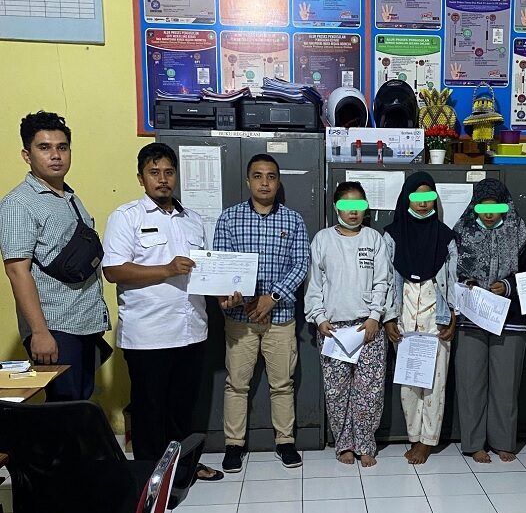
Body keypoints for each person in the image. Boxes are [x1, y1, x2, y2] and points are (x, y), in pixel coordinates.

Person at [102, 143, 222, 481]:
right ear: (141, 178)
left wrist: (227, 291)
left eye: (169, 172)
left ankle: (184, 468)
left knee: (183, 408)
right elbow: (113, 270)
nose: (163, 179)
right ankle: (151, 478)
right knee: (149, 411)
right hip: (148, 335)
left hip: (191, 330)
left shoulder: (192, 220)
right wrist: (166, 270)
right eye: (154, 172)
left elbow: (205, 272)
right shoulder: (127, 217)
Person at [0, 111, 110, 401]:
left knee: (79, 406)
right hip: (54, 327)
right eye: (44, 147)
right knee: (64, 411)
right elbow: (17, 271)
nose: (55, 155)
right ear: (27, 155)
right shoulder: (19, 203)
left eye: (62, 147)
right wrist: (39, 332)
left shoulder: (70, 198)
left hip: (84, 324)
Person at [214, 154, 309, 472]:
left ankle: (285, 441)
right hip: (240, 320)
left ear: (278, 182)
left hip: (280, 318)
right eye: (258, 176)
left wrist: (272, 298)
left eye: (271, 176)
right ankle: (233, 444)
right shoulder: (229, 218)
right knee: (236, 384)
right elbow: (223, 266)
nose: (264, 182)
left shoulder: (293, 220)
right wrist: (242, 300)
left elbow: (300, 265)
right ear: (248, 181)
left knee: (282, 384)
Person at [453, 178, 526, 463]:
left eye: (496, 208)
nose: (489, 213)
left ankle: (503, 441)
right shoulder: (462, 231)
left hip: (510, 318)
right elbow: (450, 270)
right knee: (471, 383)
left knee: (505, 384)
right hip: (471, 318)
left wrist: (507, 285)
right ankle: (474, 443)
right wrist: (468, 283)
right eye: (483, 207)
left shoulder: (519, 231)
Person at [304, 181, 391, 467]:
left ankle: (365, 443)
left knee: (370, 391)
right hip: (334, 330)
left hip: (368, 328)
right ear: (336, 207)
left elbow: (383, 281)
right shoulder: (322, 239)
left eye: (359, 206)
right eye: (347, 206)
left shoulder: (374, 239)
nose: (353, 212)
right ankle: (344, 444)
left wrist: (375, 317)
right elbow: (314, 284)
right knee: (337, 391)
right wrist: (319, 318)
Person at [384, 172, 457, 465]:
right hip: (403, 319)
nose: (423, 203)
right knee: (409, 381)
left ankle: (428, 440)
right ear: (407, 198)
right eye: (417, 197)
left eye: (429, 197)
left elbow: (454, 281)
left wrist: (452, 316)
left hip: (435, 317)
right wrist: (389, 317)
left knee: (435, 383)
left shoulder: (446, 236)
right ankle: (414, 435)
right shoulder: (392, 235)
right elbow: (385, 279)